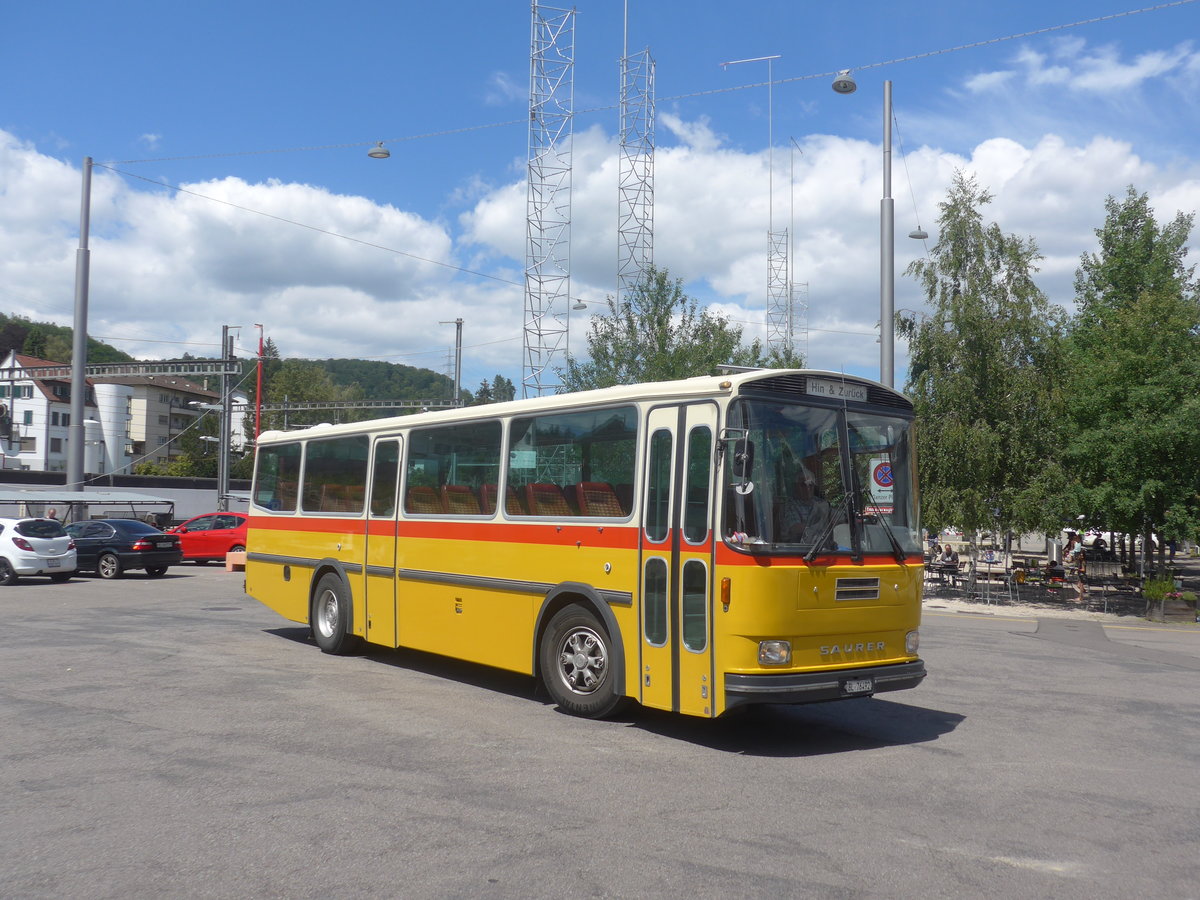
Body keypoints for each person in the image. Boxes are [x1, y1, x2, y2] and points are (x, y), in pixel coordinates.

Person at [778, 468, 832, 543]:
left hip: (821, 548)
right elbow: (795, 529)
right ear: (795, 486)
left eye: (810, 484)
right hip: (796, 549)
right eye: (803, 484)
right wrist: (820, 527)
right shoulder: (789, 505)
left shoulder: (821, 503)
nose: (807, 488)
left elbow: (834, 518)